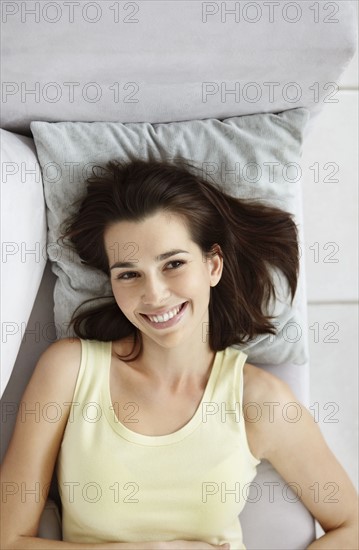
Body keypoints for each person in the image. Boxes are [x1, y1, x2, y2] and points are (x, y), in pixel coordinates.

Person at [1, 158, 358, 550]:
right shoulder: (69, 370)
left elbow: (351, 527)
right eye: (128, 273)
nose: (154, 295)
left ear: (213, 266)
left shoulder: (258, 401)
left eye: (173, 264)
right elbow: (9, 539)